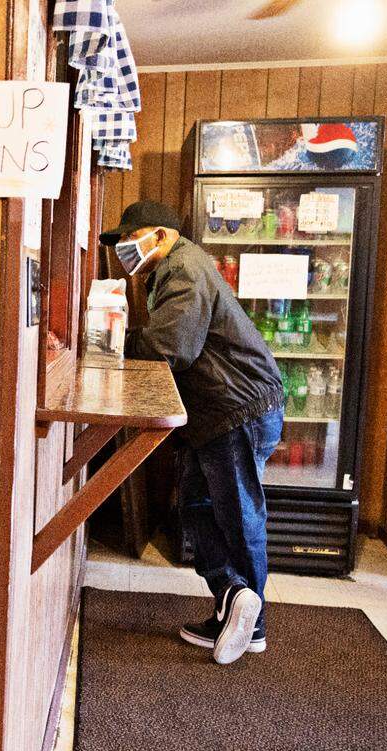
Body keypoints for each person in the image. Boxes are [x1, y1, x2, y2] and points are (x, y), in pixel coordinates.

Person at [101, 200, 284, 666]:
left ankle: (251, 621)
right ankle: (232, 597)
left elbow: (171, 347)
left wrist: (108, 340)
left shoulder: (183, 267)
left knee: (237, 512)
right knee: (200, 508)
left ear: (159, 235)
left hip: (236, 408)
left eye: (129, 238)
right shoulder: (172, 271)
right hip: (220, 411)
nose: (123, 248)